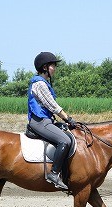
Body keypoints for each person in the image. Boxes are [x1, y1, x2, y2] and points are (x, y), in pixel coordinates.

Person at [27, 52, 76, 190]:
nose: (55, 68)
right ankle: (53, 174)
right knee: (64, 141)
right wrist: (68, 118)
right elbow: (53, 106)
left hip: (46, 120)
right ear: (45, 67)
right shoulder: (40, 84)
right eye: (53, 65)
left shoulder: (44, 83)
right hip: (40, 121)